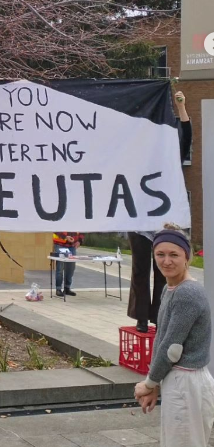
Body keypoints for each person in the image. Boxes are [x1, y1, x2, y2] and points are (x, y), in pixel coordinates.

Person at [134, 224, 214, 447]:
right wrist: (156, 383)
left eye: (174, 255)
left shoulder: (187, 293)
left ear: (186, 257)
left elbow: (171, 348)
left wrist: (149, 384)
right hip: (179, 381)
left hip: (186, 383)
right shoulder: (172, 288)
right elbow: (162, 336)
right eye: (160, 254)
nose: (166, 261)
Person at [128, 90, 192, 333]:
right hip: (140, 224)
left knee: (163, 272)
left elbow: (185, 137)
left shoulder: (173, 158)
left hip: (165, 225)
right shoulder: (138, 158)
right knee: (140, 272)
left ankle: (159, 317)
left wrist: (181, 108)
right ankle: (142, 318)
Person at [52, 232, 83, 297]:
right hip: (60, 244)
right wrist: (65, 237)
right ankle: (58, 289)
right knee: (60, 268)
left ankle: (67, 288)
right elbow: (55, 227)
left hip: (72, 245)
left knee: (71, 268)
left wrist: (80, 241)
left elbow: (82, 229)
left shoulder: (78, 221)